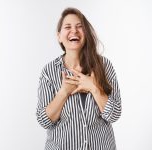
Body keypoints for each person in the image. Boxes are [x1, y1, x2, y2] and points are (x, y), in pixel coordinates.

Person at [36, 7, 122, 150]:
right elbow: (44, 121)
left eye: (79, 27)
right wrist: (63, 92)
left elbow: (114, 115)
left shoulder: (104, 66)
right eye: (67, 27)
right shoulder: (49, 71)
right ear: (59, 36)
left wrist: (94, 88)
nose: (74, 31)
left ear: (86, 33)